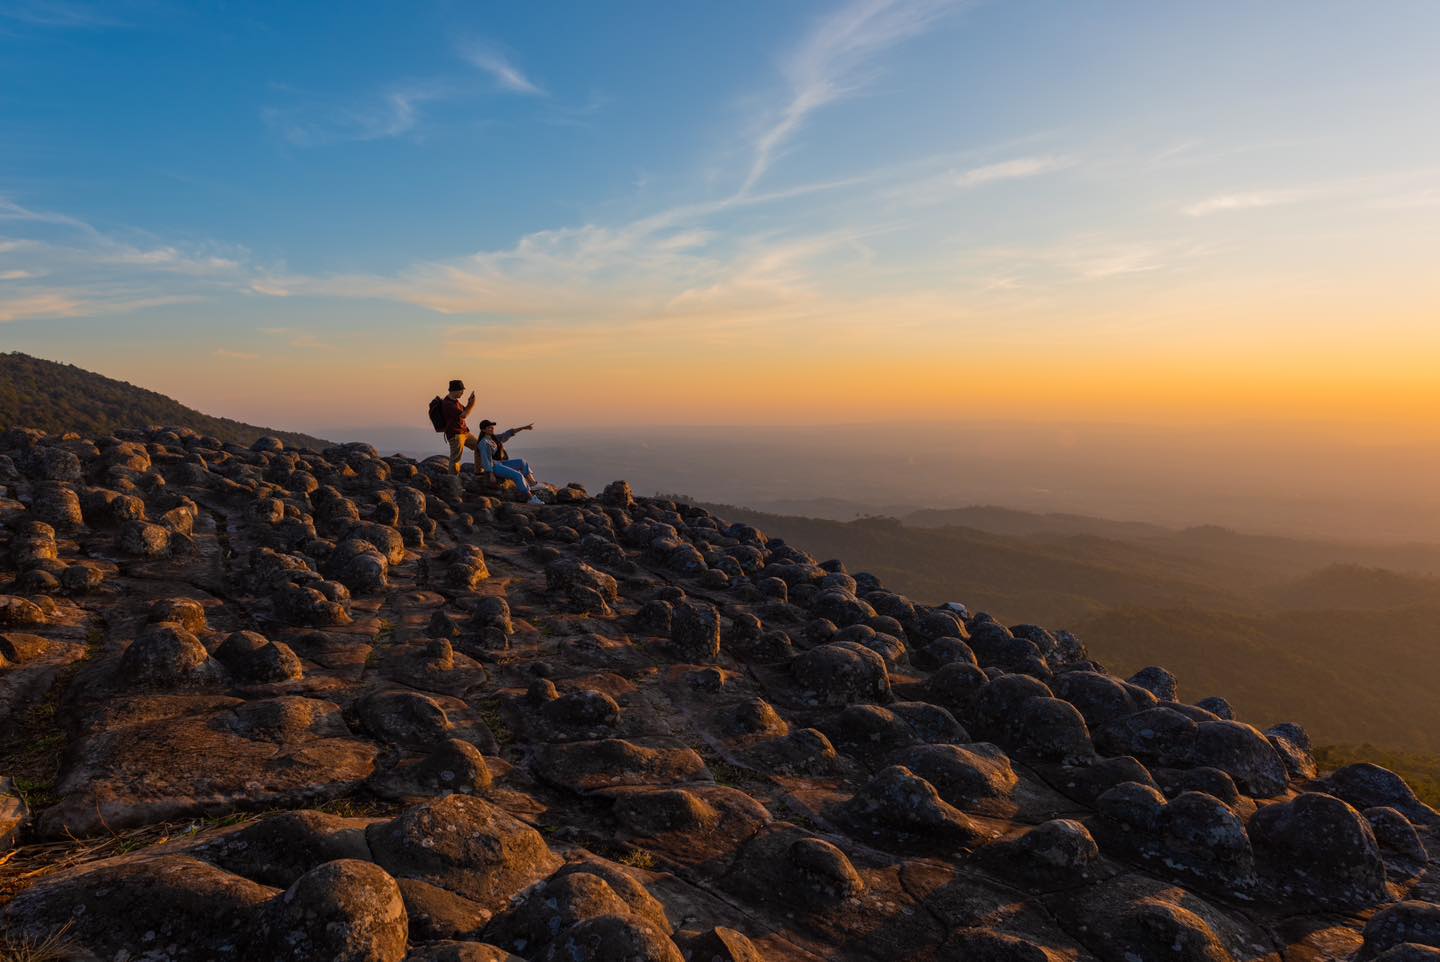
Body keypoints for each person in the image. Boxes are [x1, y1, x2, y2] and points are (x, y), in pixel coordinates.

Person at [477, 419, 540, 501]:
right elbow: (486, 459)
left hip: (501, 463)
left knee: (522, 462)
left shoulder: (494, 438)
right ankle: (530, 498)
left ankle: (532, 484)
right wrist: (491, 474)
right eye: (489, 427)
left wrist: (524, 428)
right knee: (518, 475)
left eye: (492, 427)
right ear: (483, 430)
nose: (492, 428)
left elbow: (508, 433)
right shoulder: (483, 443)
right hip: (494, 466)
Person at [440, 379, 479, 474]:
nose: (462, 393)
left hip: (464, 432)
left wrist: (469, 403)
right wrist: (472, 404)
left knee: (480, 447)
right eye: (461, 390)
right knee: (455, 459)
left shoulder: (455, 402)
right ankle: (453, 481)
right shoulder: (448, 403)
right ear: (455, 391)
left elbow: (464, 411)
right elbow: (464, 415)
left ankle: (479, 472)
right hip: (455, 434)